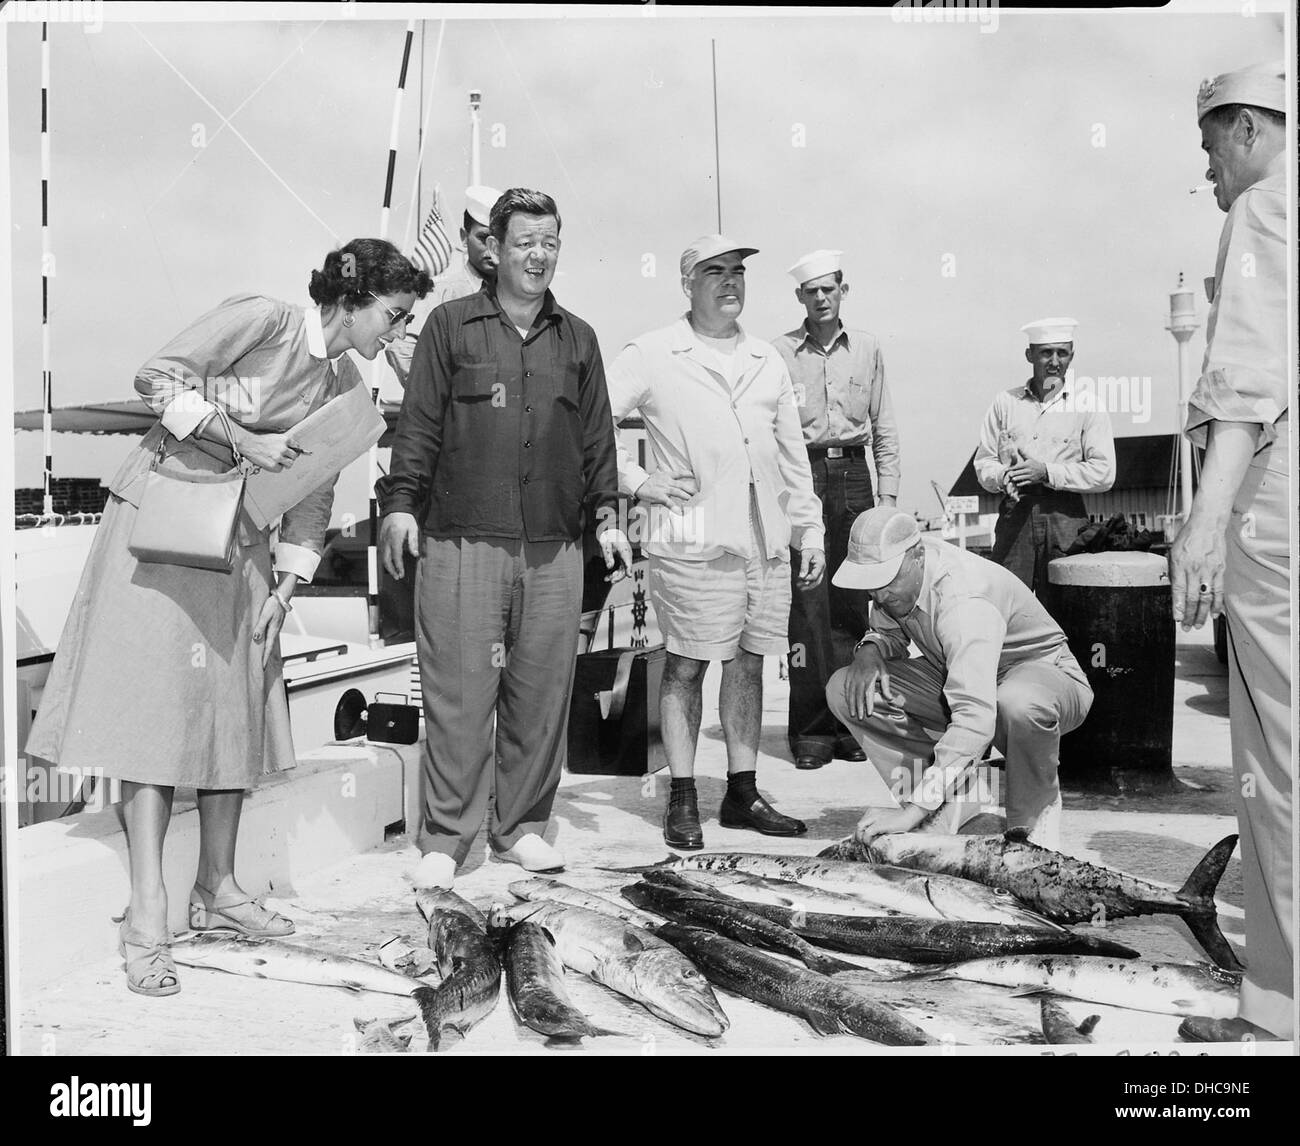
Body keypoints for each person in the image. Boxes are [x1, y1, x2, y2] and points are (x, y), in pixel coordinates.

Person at [25, 239, 430, 996]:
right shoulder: (264, 320)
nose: (398, 335)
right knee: (154, 720)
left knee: (227, 715)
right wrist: (238, 436)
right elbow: (156, 378)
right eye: (395, 317)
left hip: (240, 550)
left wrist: (286, 588)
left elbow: (314, 491)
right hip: (161, 528)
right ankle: (149, 912)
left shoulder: (344, 380)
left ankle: (218, 888)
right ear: (351, 300)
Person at [377, 188, 630, 889]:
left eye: (550, 241)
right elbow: (419, 425)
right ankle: (448, 836)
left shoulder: (578, 338)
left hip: (555, 545)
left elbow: (598, 439)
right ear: (492, 248)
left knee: (540, 693)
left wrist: (607, 516)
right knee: (459, 693)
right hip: (463, 542)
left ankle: (521, 828)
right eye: (524, 241)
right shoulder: (449, 327)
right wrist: (401, 505)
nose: (538, 254)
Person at [606, 235, 825, 850]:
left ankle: (742, 791)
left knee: (750, 662)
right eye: (714, 272)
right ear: (687, 284)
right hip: (692, 538)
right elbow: (589, 421)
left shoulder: (767, 358)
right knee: (685, 666)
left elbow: (792, 454)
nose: (730, 282)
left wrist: (808, 528)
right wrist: (641, 482)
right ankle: (682, 796)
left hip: (764, 540)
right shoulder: (652, 352)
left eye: (737, 272)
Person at [1169, 62, 1290, 1043]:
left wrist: (1204, 527)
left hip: (1277, 518)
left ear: (1244, 128)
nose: (1207, 167)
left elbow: (1243, 389)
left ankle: (1274, 1001)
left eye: (1210, 144)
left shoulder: (1262, 209)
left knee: (1275, 756)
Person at [826, 506, 1093, 850]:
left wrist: (908, 814)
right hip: (968, 677)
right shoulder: (900, 581)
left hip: (1043, 679)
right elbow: (889, 633)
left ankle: (1032, 823)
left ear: (918, 556)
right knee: (845, 689)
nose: (878, 596)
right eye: (870, 585)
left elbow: (975, 719)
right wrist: (870, 647)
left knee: (1015, 703)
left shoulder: (964, 601)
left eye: (885, 581)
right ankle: (946, 794)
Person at [772, 249, 901, 770]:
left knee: (853, 599)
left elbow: (885, 426)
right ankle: (810, 730)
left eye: (829, 289)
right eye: (811, 291)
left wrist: (886, 501)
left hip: (853, 474)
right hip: (800, 477)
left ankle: (851, 722)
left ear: (843, 291)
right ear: (799, 297)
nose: (821, 298)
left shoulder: (867, 348)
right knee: (808, 604)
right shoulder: (779, 353)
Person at [973, 319, 1115, 616]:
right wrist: (1003, 475)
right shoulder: (1005, 403)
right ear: (1029, 355)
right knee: (1008, 606)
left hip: (1065, 516)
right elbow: (984, 463)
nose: (1054, 361)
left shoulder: (1088, 404)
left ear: (1072, 356)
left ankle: (1065, 665)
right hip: (1016, 513)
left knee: (1068, 608)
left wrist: (1047, 472)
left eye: (1062, 353)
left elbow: (1104, 472)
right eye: (1045, 353)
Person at [386, 184, 501, 388]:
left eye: (500, 240)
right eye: (483, 238)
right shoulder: (442, 293)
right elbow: (400, 346)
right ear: (464, 238)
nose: (492, 248)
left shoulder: (518, 300)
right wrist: (440, 396)